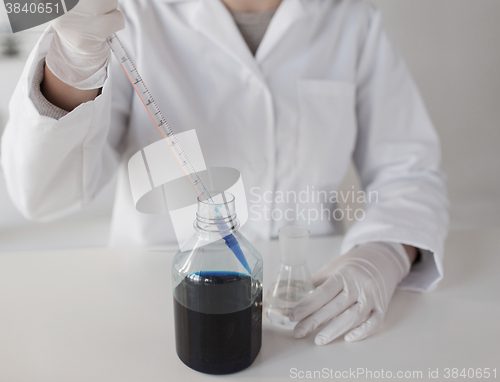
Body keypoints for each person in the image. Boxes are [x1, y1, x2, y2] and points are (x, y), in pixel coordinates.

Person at [1, 0, 448, 345]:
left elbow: (409, 172)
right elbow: (46, 193)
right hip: (153, 309)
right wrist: (74, 62)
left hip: (310, 303)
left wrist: (386, 251)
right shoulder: (128, 16)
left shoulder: (350, 20)